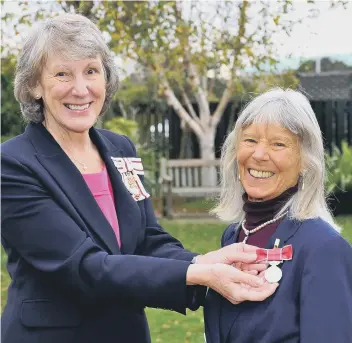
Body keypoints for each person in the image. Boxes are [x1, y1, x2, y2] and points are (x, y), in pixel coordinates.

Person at [1, 14, 278, 343]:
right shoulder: (13, 165)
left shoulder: (120, 149)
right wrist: (198, 273)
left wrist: (203, 262)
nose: (80, 88)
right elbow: (82, 266)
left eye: (91, 71)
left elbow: (148, 240)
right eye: (62, 74)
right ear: (34, 85)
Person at [204, 88, 352, 343]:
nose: (259, 155)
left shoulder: (323, 248)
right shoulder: (233, 237)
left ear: (306, 159)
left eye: (278, 144)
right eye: (250, 140)